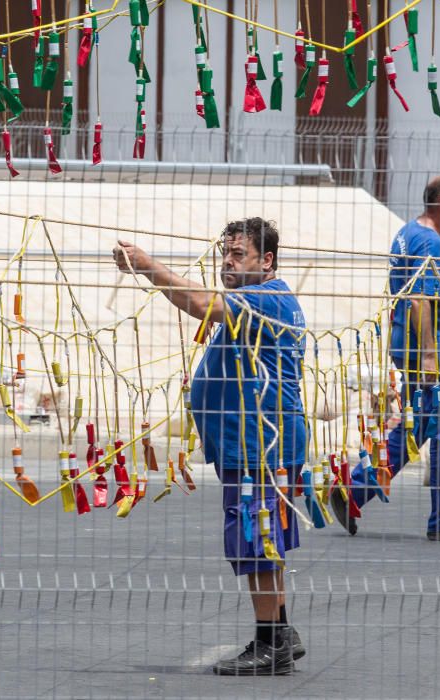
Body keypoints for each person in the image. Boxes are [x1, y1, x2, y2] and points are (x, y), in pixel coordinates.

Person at [113, 217, 307, 675]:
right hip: (253, 444)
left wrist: (145, 265)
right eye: (226, 253)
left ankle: (270, 642)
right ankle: (278, 631)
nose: (226, 261)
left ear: (267, 261)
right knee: (265, 540)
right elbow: (198, 304)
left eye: (238, 254)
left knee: (257, 539)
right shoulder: (252, 299)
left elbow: (199, 302)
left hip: (261, 445)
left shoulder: (266, 298)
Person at [331, 175, 440, 542]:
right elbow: (420, 300)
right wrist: (432, 357)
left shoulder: (409, 233)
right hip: (429, 357)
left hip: (416, 352)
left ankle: (353, 491)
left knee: (420, 429)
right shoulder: (427, 242)